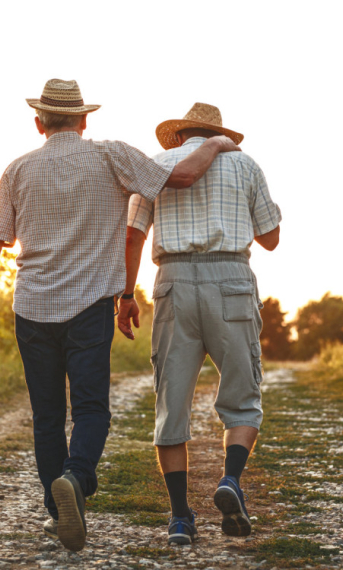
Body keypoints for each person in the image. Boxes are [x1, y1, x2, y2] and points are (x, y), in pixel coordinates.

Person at [0, 81, 240, 552]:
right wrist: (215, 142)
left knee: (47, 415)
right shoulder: (111, 156)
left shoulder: (17, 170)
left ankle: (61, 512)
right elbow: (182, 176)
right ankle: (75, 476)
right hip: (90, 306)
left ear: (39, 123)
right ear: (84, 119)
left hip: (32, 308)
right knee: (91, 408)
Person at [119, 102, 281, 545]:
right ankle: (230, 481)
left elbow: (133, 234)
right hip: (230, 277)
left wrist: (125, 294)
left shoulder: (155, 166)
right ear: (218, 134)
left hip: (171, 281)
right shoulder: (245, 165)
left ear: (178, 136)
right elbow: (270, 239)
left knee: (171, 403)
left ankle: (178, 520)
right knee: (242, 397)